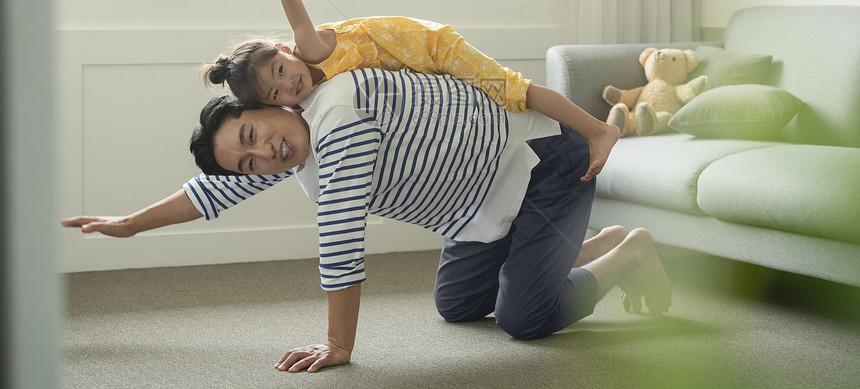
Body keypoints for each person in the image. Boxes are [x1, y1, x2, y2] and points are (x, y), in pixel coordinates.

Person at [62, 67, 673, 374]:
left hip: (540, 162)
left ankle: (630, 251)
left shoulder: (337, 118)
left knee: (524, 318)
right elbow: (211, 194)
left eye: (252, 136)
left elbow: (340, 237)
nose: (262, 156)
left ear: (266, 105)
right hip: (482, 206)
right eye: (246, 161)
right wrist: (130, 225)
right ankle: (591, 245)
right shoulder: (293, 141)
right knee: (459, 305)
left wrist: (339, 346)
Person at [202, 0, 619, 183]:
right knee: (495, 106)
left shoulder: (310, 48)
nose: (287, 85)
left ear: (287, 50)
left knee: (512, 91)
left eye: (280, 70)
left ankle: (596, 130)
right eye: (275, 93)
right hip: (423, 65)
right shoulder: (305, 99)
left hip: (433, 47)